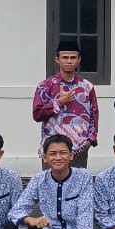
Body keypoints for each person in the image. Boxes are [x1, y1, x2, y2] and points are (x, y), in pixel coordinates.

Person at [4, 134, 94, 229]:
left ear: (71, 155)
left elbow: (85, 217)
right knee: (11, 228)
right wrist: (29, 220)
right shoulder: (39, 179)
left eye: (63, 153)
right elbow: (16, 211)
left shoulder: (83, 177)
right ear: (44, 157)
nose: (58, 157)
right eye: (52, 154)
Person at [31, 38, 98, 166]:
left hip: (79, 147)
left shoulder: (87, 86)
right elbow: (37, 114)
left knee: (79, 184)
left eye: (73, 57)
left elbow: (94, 113)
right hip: (53, 149)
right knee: (51, 184)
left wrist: (90, 140)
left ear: (78, 60)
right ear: (57, 60)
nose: (69, 61)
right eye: (65, 57)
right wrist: (58, 102)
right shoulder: (45, 86)